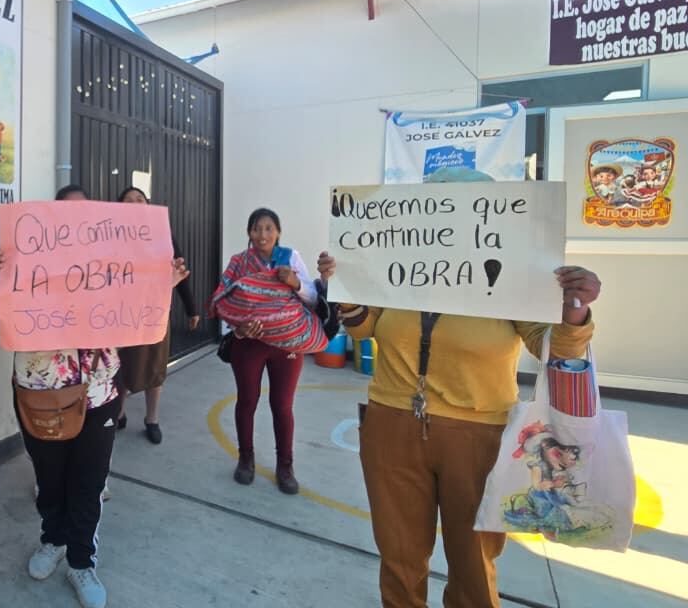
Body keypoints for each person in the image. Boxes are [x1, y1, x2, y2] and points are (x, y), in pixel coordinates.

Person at [334, 169, 601, 608]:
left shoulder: (514, 271)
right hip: (391, 422)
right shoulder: (398, 262)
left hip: (478, 434)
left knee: (474, 565)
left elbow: (548, 345)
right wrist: (346, 290)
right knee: (398, 558)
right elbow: (364, 327)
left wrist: (575, 310)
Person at [0, 184, 189, 608]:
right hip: (41, 397)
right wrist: (1, 279)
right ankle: (52, 540)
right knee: (50, 482)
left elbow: (140, 319)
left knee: (88, 484)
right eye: (65, 217)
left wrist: (161, 283)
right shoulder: (23, 265)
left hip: (100, 395)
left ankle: (81, 562)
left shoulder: (109, 267)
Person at [209, 208, 325, 494]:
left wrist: (294, 283)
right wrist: (240, 327)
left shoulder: (290, 258)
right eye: (256, 229)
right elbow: (223, 300)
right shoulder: (238, 262)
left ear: (278, 232)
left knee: (282, 407)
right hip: (248, 344)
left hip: (288, 346)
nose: (262, 234)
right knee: (247, 401)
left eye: (269, 228)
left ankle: (285, 467)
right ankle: (245, 459)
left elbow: (312, 299)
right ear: (249, 233)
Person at [112, 186, 201, 444]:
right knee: (122, 366)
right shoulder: (112, 237)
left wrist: (191, 308)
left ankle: (152, 419)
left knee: (155, 366)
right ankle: (119, 413)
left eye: (139, 199)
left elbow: (180, 269)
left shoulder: (163, 235)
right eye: (128, 200)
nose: (135, 202)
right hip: (122, 314)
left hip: (156, 312)